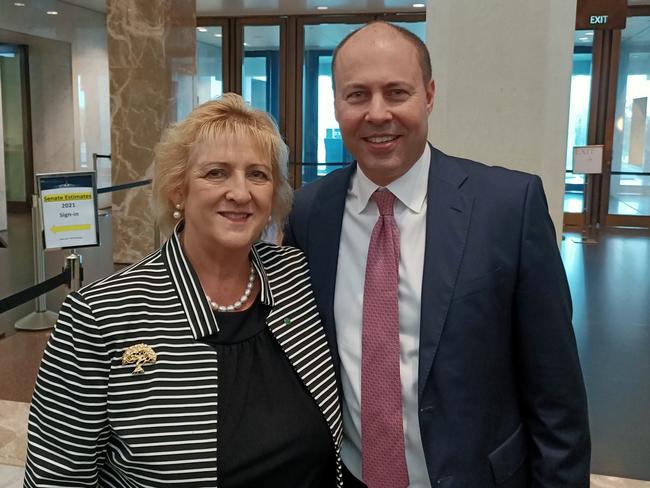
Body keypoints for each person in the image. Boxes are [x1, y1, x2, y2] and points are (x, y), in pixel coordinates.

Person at [284, 21, 590, 487]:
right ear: (336, 105)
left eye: (397, 92)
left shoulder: (509, 206)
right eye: (357, 95)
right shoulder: (308, 212)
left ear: (429, 95)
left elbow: (556, 395)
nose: (378, 113)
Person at [24, 93, 343, 488]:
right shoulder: (99, 315)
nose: (241, 193)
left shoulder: (294, 276)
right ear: (178, 189)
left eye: (257, 175)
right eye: (216, 173)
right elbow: (57, 479)